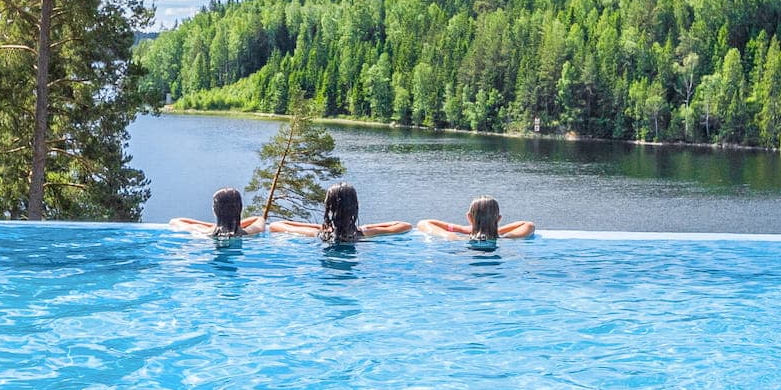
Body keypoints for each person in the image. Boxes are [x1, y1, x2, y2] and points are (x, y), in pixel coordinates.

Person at [269, 182, 410, 242]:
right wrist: (366, 227)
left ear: (328, 207)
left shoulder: (318, 234)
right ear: (356, 206)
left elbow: (276, 225)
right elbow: (404, 225)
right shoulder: (365, 233)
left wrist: (319, 227)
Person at [417, 196, 535, 240]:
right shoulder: (506, 238)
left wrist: (458, 231)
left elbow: (423, 223)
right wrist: (493, 229)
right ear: (499, 219)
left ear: (469, 217)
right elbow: (528, 225)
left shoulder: (455, 238)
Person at [169, 187, 266, 237]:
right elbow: (259, 218)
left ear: (215, 210)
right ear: (240, 208)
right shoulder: (250, 232)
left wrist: (213, 226)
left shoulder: (201, 230)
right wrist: (233, 224)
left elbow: (174, 221)